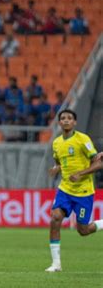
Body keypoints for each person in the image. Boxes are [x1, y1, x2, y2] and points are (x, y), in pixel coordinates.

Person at [46, 109, 103, 272]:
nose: (66, 120)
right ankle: (56, 264)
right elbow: (59, 161)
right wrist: (56, 169)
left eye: (69, 118)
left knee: (83, 230)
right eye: (63, 118)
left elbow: (99, 163)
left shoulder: (82, 140)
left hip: (84, 192)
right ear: (59, 123)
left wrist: (81, 173)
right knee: (55, 218)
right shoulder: (56, 143)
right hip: (65, 190)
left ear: (74, 122)